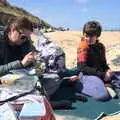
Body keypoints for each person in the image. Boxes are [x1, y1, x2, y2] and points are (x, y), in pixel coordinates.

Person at [76, 21, 117, 101]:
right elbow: (82, 68)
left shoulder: (101, 47)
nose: (88, 39)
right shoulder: (83, 46)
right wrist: (103, 75)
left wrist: (108, 70)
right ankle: (77, 84)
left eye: (91, 36)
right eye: (86, 36)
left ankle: (105, 84)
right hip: (86, 75)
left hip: (99, 73)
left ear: (97, 36)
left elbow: (104, 64)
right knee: (102, 96)